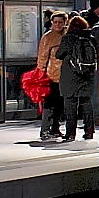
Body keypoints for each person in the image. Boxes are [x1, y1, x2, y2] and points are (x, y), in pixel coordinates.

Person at [54, 15, 97, 142]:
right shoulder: (91, 38)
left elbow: (59, 54)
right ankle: (89, 131)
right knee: (86, 102)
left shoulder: (68, 38)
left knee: (70, 103)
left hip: (70, 74)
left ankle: (70, 133)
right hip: (87, 74)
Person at [35, 12, 66, 141]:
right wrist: (41, 73)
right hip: (51, 75)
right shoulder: (47, 37)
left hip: (64, 76)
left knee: (60, 104)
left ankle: (55, 128)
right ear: (51, 23)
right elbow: (42, 56)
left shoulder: (66, 35)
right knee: (49, 104)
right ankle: (45, 130)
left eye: (60, 22)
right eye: (55, 22)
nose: (58, 25)